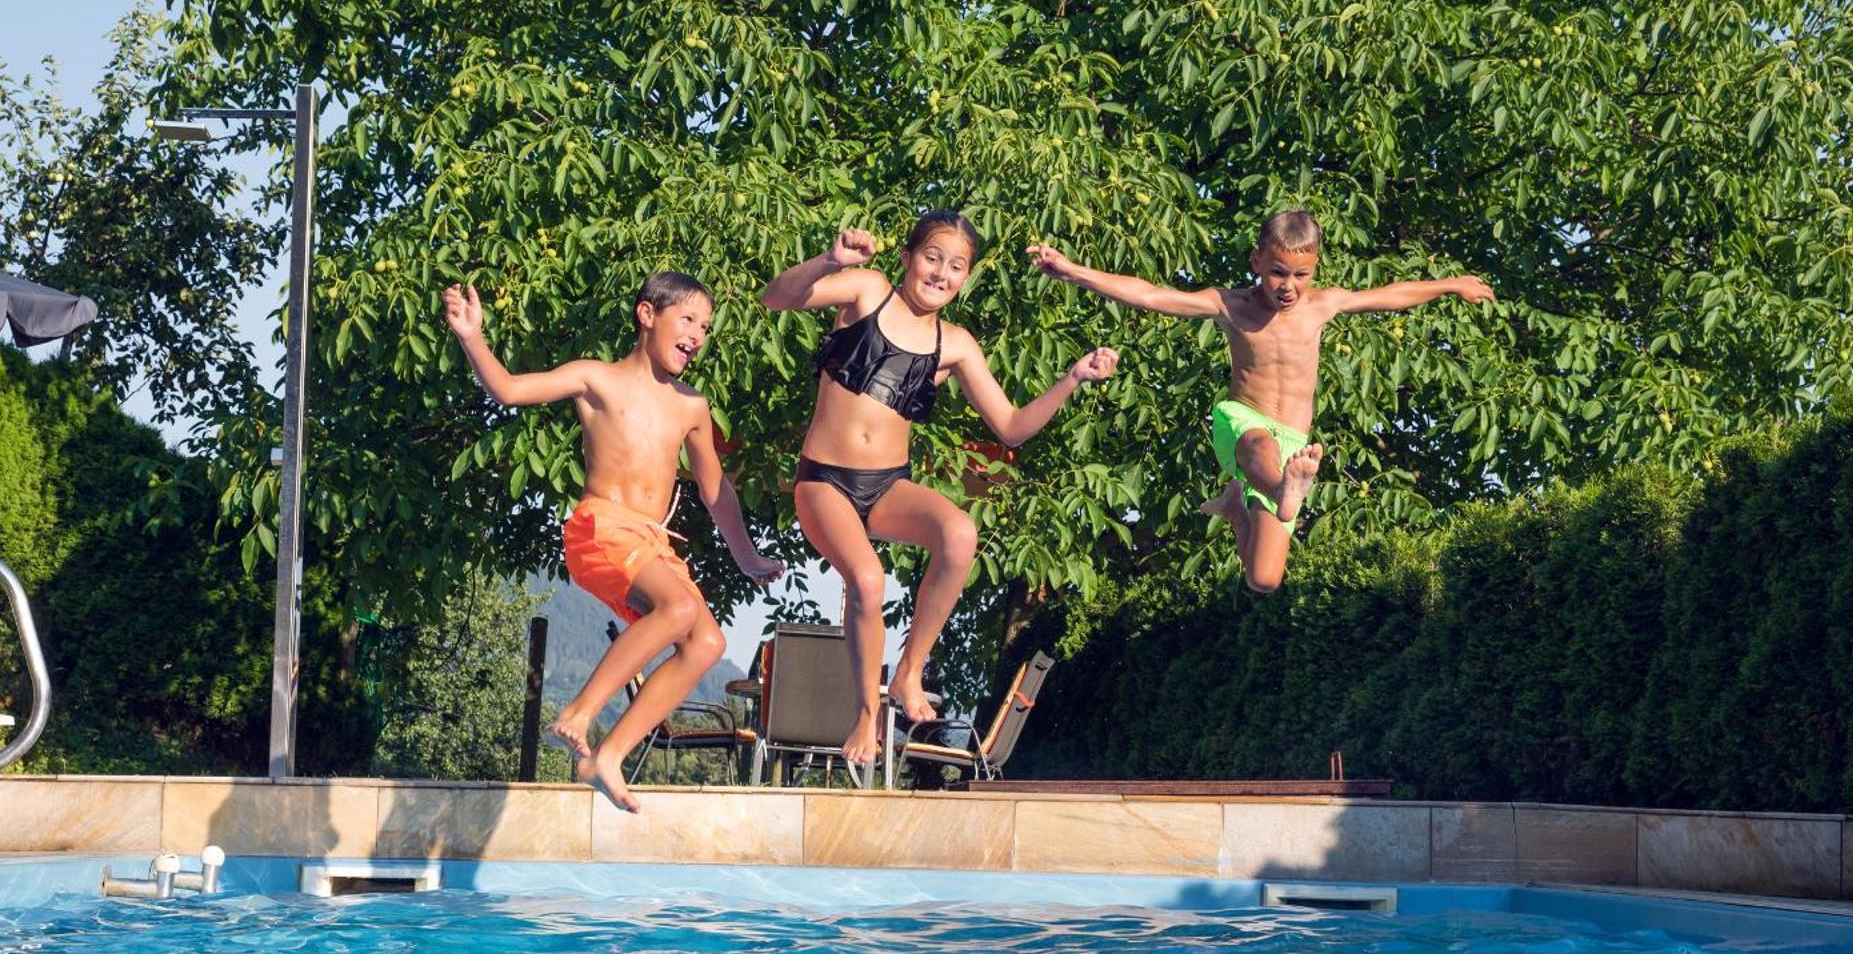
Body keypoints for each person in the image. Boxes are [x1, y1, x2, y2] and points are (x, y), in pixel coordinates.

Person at [761, 212, 1119, 766]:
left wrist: (1071, 379)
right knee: (867, 577)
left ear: (966, 277)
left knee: (958, 533)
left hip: (887, 486)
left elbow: (1012, 427)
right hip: (824, 481)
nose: (941, 273)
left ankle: (910, 670)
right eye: (932, 257)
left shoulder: (954, 344)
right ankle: (864, 713)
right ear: (906, 257)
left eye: (956, 266)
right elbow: (776, 299)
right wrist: (830, 260)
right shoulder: (867, 291)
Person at [443, 271, 784, 812]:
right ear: (647, 314)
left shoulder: (692, 406)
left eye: (706, 327)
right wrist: (472, 336)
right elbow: (507, 390)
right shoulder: (595, 379)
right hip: (601, 527)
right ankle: (578, 712)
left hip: (653, 543)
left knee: (706, 644)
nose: (698, 334)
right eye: (688, 319)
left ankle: (607, 756)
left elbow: (716, 491)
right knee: (677, 607)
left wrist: (745, 556)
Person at [1029, 210, 1495, 592]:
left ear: (1315, 270)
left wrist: (1451, 283)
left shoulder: (1322, 305)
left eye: (1300, 275)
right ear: (1256, 261)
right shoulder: (1229, 305)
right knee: (1259, 449)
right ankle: (1279, 491)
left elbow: (1391, 296)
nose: (1288, 285)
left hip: (1292, 443)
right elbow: (1151, 295)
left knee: (1264, 578)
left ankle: (1237, 509)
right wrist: (1073, 271)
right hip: (1243, 422)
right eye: (1276, 272)